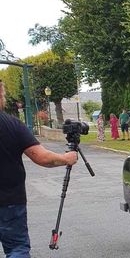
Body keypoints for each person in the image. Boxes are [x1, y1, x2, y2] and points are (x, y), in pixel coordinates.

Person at [0, 80, 78, 257]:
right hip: (9, 201)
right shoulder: (12, 125)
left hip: (9, 201)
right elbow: (42, 158)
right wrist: (66, 158)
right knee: (17, 248)